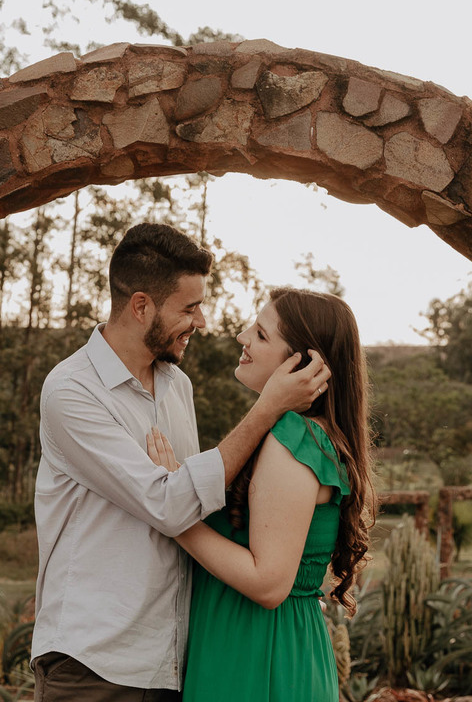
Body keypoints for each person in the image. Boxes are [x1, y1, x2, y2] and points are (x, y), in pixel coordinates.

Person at [31, 223, 331, 702]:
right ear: (142, 305)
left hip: (172, 663)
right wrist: (267, 408)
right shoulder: (72, 391)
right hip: (96, 665)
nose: (204, 322)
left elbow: (189, 500)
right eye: (190, 308)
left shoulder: (177, 386)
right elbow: (169, 504)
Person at [148, 287, 376, 702]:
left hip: (258, 653)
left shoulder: (296, 438)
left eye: (262, 334)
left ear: (301, 364)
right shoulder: (298, 435)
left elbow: (269, 582)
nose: (242, 337)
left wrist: (172, 513)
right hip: (260, 646)